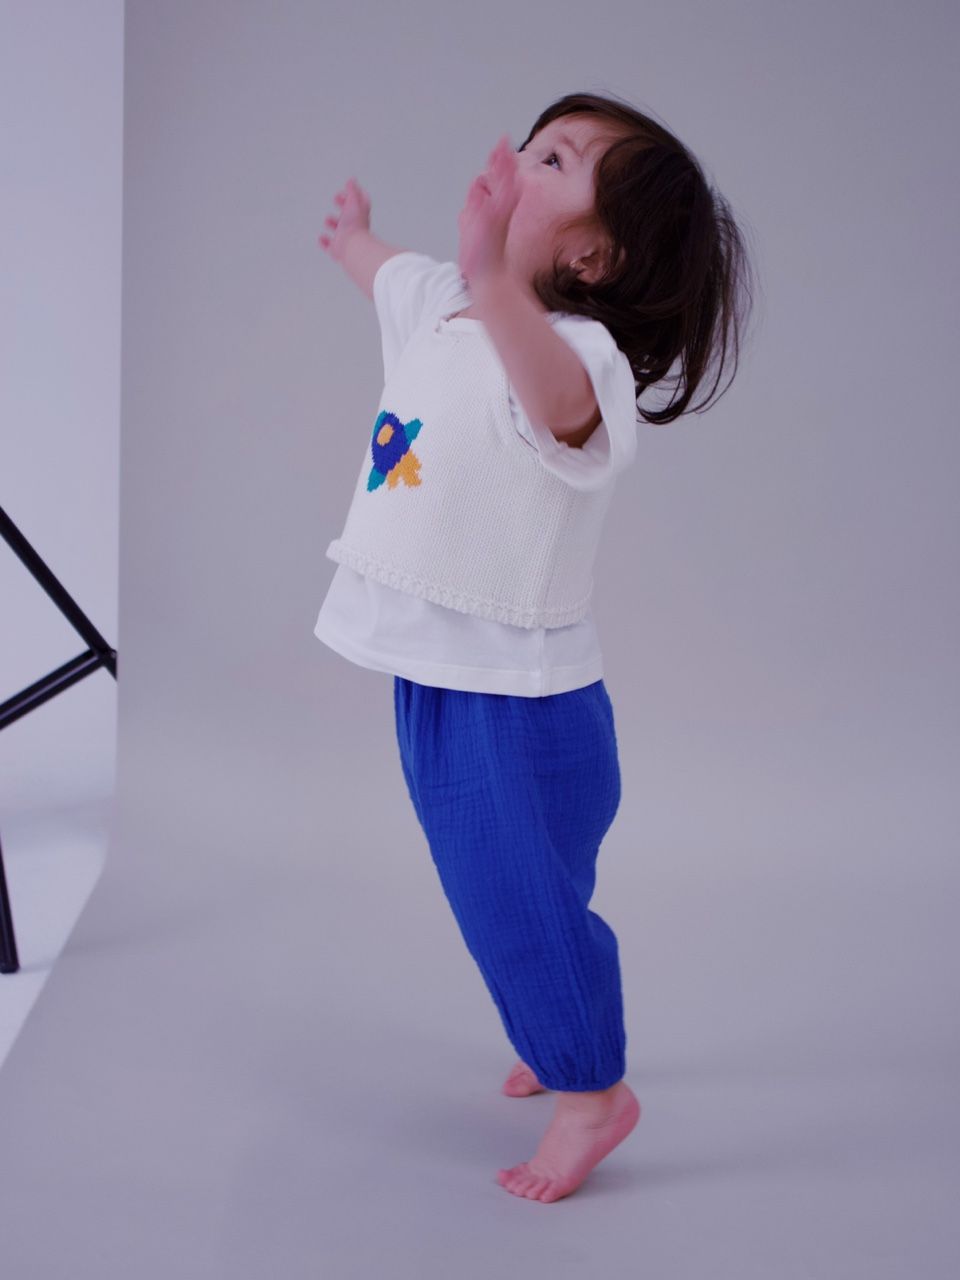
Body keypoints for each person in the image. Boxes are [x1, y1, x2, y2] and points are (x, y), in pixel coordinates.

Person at [316, 90, 756, 1203]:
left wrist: (494, 277)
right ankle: (556, 1025)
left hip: (515, 695)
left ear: (594, 257)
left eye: (556, 161)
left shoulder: (576, 353)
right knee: (530, 888)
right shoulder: (445, 305)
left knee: (508, 894)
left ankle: (593, 1090)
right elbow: (394, 276)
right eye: (532, 141)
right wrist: (354, 237)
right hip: (453, 677)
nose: (521, 160)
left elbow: (556, 405)